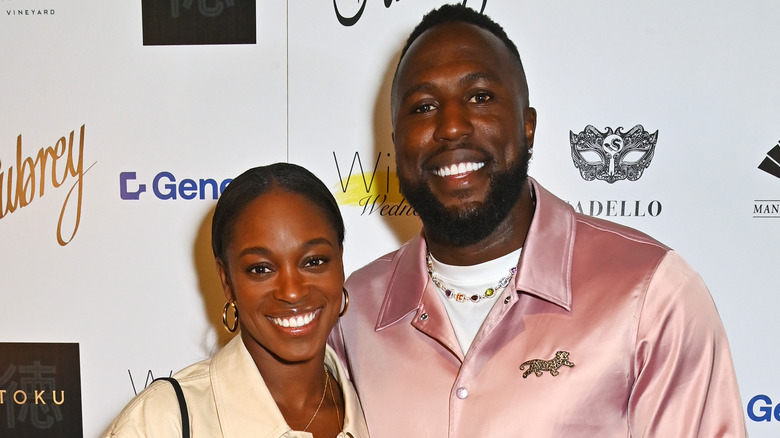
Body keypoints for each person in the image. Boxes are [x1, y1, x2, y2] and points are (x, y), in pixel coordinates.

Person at [330, 4, 747, 437]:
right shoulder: (350, 314)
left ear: (527, 127)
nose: (451, 127)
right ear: (397, 142)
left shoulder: (651, 295)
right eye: (424, 106)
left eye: (480, 97)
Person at [105, 163, 369, 437]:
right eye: (261, 269)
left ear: (340, 262)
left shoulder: (379, 408)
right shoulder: (160, 421)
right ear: (227, 281)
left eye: (314, 261)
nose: (291, 291)